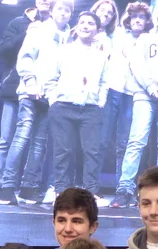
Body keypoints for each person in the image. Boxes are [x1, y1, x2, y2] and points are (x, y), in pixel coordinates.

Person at [0, 0, 74, 206]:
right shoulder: (38, 29)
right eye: (60, 8)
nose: (63, 13)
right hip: (30, 91)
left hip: (51, 96)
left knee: (40, 143)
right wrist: (30, 82)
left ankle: (28, 187)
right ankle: (6, 188)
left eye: (67, 10)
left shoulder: (71, 38)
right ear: (53, 10)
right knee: (21, 137)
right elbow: (25, 57)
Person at [0, 0, 51, 203]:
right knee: (6, 139)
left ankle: (28, 186)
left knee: (38, 142)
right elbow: (3, 50)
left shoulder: (57, 27)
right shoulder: (19, 22)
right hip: (15, 86)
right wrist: (27, 32)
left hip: (42, 90)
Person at [111, 6, 158, 208]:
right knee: (137, 141)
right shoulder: (145, 40)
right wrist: (151, 87)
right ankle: (125, 189)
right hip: (145, 95)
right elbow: (137, 65)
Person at [45, 11, 110, 205]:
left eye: (90, 23)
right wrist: (53, 100)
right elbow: (51, 77)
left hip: (91, 108)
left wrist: (100, 102)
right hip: (63, 107)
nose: (85, 26)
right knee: (63, 151)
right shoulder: (63, 50)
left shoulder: (101, 55)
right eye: (82, 22)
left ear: (97, 29)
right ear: (77, 26)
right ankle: (61, 192)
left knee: (92, 151)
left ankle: (91, 192)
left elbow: (104, 82)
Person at [99, 2, 152, 194]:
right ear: (128, 19)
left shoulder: (150, 39)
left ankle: (122, 186)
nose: (137, 20)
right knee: (102, 139)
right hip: (113, 89)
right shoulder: (118, 34)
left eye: (141, 17)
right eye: (134, 16)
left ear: (147, 21)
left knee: (126, 142)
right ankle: (92, 185)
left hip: (133, 94)